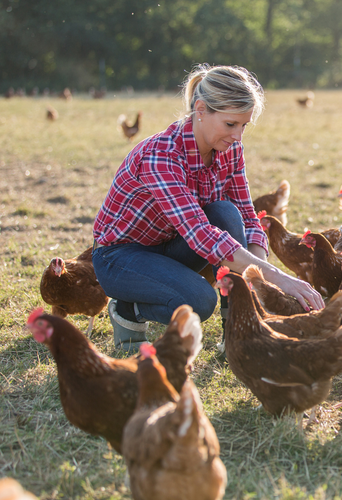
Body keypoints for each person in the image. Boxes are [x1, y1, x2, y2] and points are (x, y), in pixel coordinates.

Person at [92, 63, 324, 353]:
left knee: (226, 212)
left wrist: (259, 280)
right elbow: (200, 234)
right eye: (230, 124)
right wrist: (278, 278)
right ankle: (128, 310)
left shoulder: (230, 150)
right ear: (200, 109)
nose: (238, 136)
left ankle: (238, 335)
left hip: (172, 244)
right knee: (199, 301)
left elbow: (247, 219)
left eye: (243, 125)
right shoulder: (161, 156)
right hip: (121, 257)